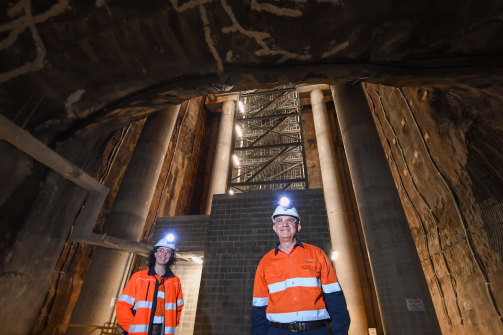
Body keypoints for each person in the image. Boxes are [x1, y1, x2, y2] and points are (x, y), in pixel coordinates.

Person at [251, 197, 351, 335]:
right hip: (277, 331)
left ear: (298, 226)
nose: (284, 224)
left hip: (316, 331)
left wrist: (340, 332)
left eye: (290, 220)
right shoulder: (265, 262)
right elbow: (259, 307)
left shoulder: (317, 254)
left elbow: (335, 297)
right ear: (274, 228)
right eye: (279, 220)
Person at [116, 235, 184, 335]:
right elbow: (123, 305)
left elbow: (178, 308)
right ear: (155, 253)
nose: (164, 254)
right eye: (161, 250)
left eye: (168, 252)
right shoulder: (138, 277)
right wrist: (132, 327)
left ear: (171, 256)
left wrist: (172, 324)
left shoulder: (175, 281)